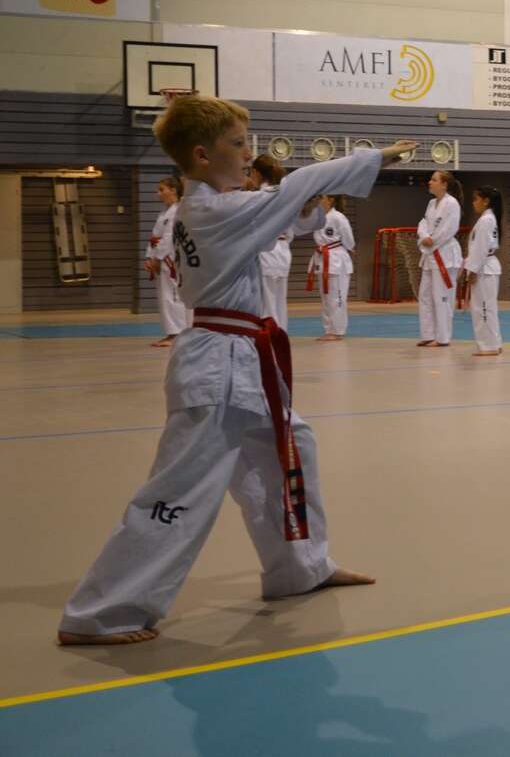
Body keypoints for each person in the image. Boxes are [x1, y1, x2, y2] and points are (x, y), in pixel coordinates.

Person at [58, 95, 412, 645]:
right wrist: (375, 157)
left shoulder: (209, 209)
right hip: (217, 365)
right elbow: (296, 186)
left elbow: (287, 213)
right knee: (180, 489)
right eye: (239, 144)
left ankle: (299, 568)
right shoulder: (214, 212)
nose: (249, 154)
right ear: (202, 155)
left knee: (291, 451)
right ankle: (101, 612)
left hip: (238, 358)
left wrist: (304, 206)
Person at [416, 171, 462, 347]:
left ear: (444, 185)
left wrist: (431, 241)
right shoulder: (431, 203)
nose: (430, 182)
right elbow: (423, 224)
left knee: (442, 297)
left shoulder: (452, 204)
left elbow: (449, 229)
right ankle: (428, 334)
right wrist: (424, 236)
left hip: (445, 254)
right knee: (425, 295)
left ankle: (443, 337)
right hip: (430, 256)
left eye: (434, 180)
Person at [248, 156, 293, 330]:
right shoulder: (285, 195)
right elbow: (291, 230)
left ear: (255, 172)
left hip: (266, 253)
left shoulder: (258, 196)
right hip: (283, 251)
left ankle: (270, 339)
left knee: (267, 305)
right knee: (280, 303)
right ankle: (280, 338)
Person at [145, 176, 190, 347]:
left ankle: (177, 333)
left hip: (169, 259)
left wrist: (157, 258)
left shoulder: (177, 211)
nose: (158, 193)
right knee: (165, 296)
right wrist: (149, 257)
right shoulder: (164, 212)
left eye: (162, 189)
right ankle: (172, 332)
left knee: (172, 296)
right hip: (161, 258)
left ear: (173, 190)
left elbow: (169, 238)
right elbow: (154, 238)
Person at [307, 195, 354, 341]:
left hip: (337, 260)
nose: (318, 200)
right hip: (322, 258)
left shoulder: (338, 217)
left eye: (321, 198)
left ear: (330, 200)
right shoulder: (318, 217)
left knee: (337, 298)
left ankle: (338, 330)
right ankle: (329, 330)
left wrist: (350, 247)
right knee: (326, 298)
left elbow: (348, 239)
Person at [464, 185, 503, 357]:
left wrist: (472, 270)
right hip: (486, 266)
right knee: (488, 308)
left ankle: (489, 346)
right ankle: (494, 343)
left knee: (483, 309)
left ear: (486, 201)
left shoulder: (486, 220)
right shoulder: (489, 218)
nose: (473, 203)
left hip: (484, 268)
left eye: (476, 199)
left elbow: (480, 248)